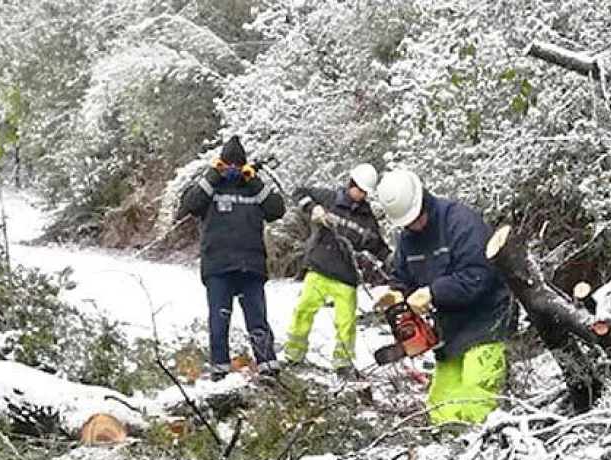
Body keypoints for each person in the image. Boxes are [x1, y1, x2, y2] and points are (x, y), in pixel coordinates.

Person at [374, 169, 511, 424]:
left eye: (415, 219)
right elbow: (402, 275)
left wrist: (433, 293)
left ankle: (479, 456)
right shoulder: (406, 239)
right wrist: (396, 294)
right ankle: (445, 457)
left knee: (475, 405)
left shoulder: (461, 223)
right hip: (448, 332)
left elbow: (479, 275)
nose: (413, 226)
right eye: (407, 223)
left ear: (423, 200)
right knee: (440, 408)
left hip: (485, 324)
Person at [177, 135, 286, 381]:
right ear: (221, 164)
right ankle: (220, 371)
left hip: (251, 267)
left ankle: (268, 366)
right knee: (219, 320)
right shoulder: (210, 186)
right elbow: (190, 205)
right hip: (218, 267)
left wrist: (255, 180)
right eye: (229, 165)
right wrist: (213, 175)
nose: (233, 169)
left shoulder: (253, 187)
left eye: (238, 165)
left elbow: (276, 210)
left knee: (257, 320)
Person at [284, 164, 391, 375]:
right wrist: (312, 208)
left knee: (346, 323)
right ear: (351, 184)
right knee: (303, 310)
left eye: (364, 193)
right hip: (319, 268)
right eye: (358, 190)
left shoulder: (367, 219)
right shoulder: (329, 198)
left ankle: (343, 364)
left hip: (346, 278)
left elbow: (378, 246)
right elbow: (299, 192)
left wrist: (391, 260)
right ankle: (293, 355)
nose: (360, 196)